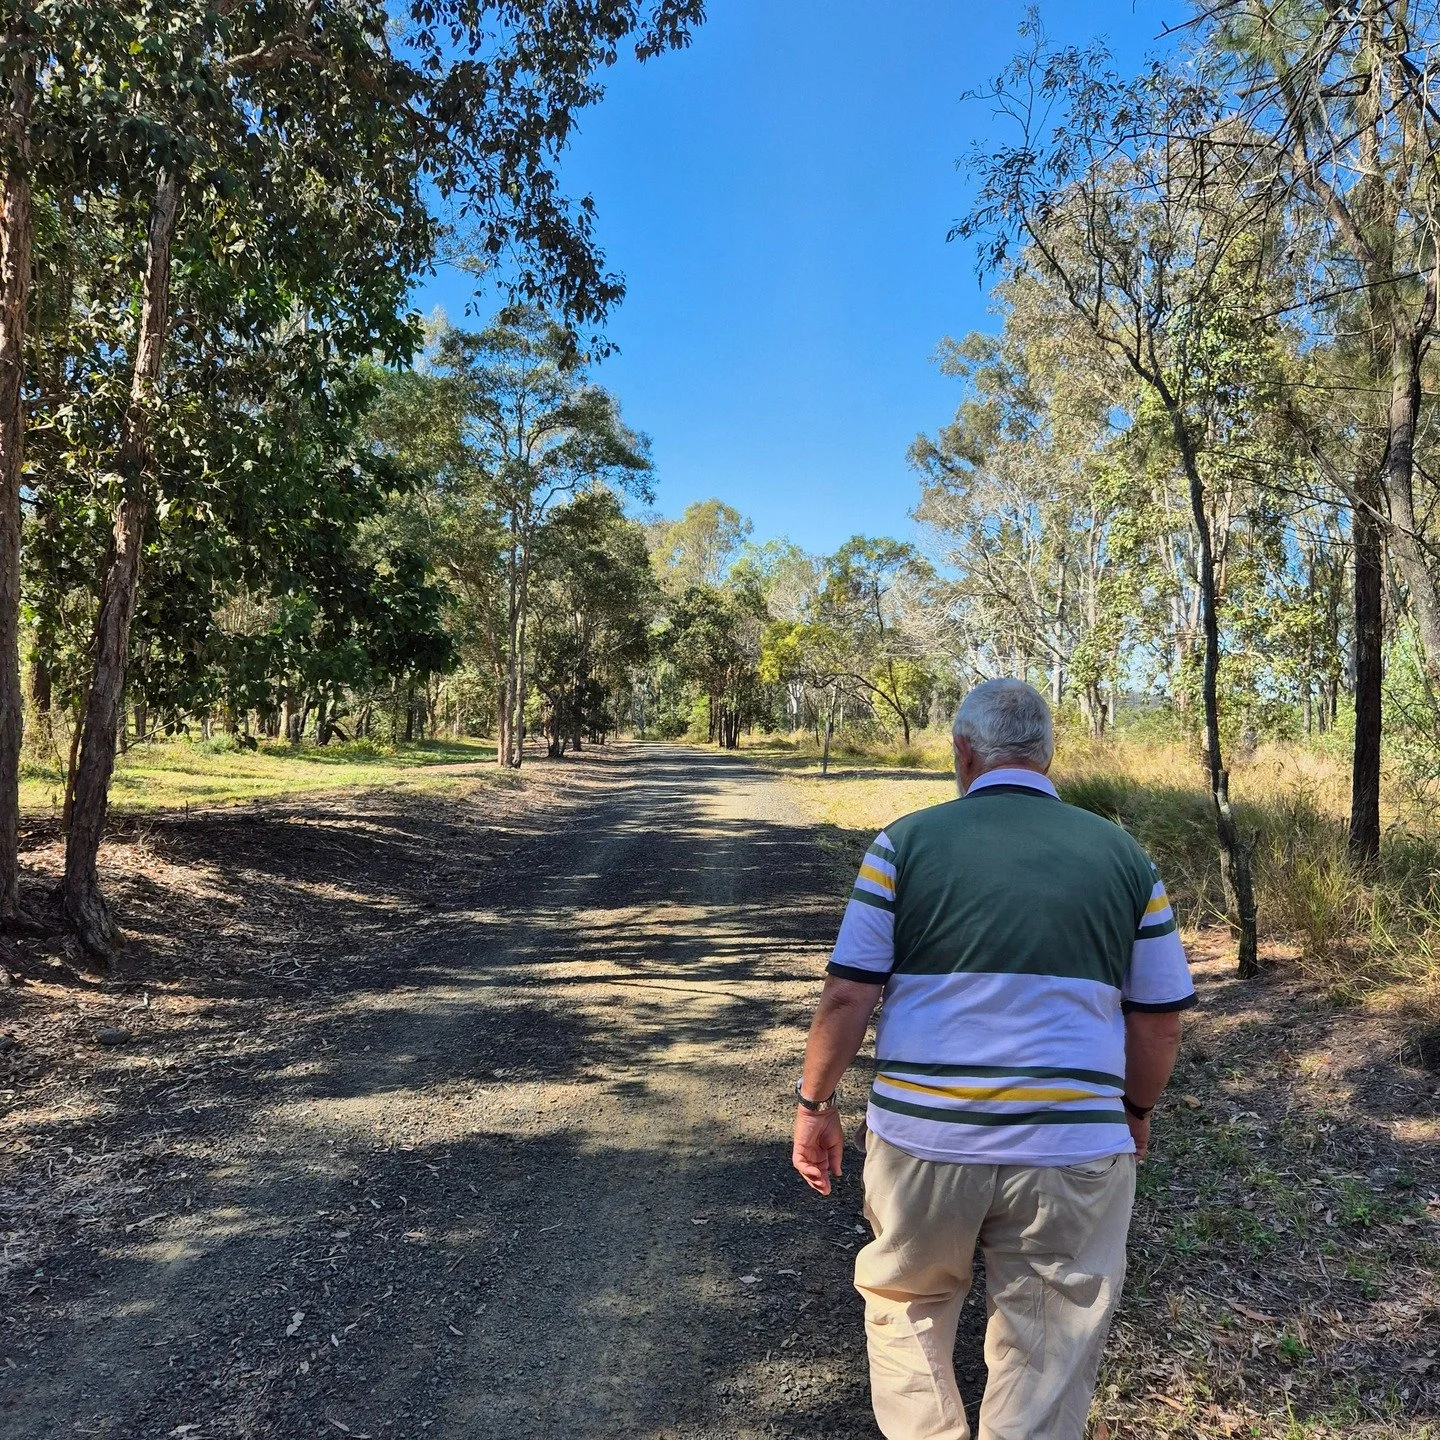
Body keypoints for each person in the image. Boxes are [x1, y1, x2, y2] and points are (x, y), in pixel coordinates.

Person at [791, 678, 1195, 1440]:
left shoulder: (903, 844)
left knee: (907, 1305)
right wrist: (1134, 1112)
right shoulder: (1125, 859)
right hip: (1071, 1148)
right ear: (1047, 757)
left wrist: (815, 1106)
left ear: (963, 753)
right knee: (1049, 1347)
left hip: (923, 1145)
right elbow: (1159, 1024)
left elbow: (848, 997)